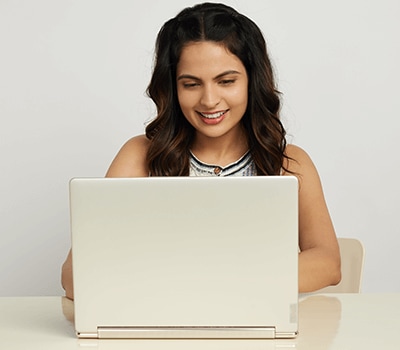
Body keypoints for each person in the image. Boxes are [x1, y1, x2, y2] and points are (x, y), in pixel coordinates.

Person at [62, 2, 341, 300]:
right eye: (192, 84)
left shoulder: (289, 162)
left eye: (226, 81)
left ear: (252, 81)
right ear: (172, 88)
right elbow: (73, 276)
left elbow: (328, 263)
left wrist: (214, 280)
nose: (209, 100)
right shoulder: (139, 157)